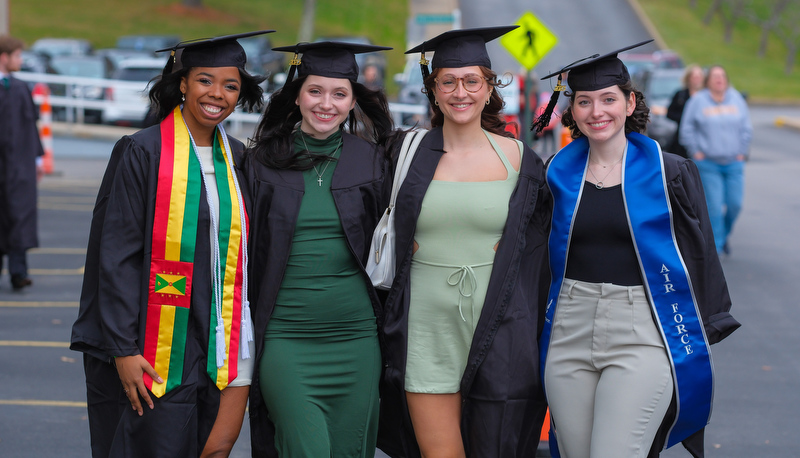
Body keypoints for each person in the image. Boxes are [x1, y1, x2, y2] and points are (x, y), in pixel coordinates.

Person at [534, 41, 741, 458]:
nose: (597, 112)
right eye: (585, 102)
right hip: (567, 331)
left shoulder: (671, 173)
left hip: (643, 331)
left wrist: (709, 320)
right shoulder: (554, 175)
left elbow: (699, 252)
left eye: (609, 99)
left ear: (630, 103)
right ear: (572, 111)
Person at [69, 30, 271, 457]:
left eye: (230, 85)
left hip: (213, 341)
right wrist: (122, 349)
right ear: (182, 82)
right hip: (152, 343)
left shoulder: (239, 160)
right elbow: (115, 255)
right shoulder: (141, 152)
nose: (217, 94)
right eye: (204, 80)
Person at [378, 26, 551, 458]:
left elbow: (539, 251)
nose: (461, 92)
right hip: (425, 330)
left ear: (489, 87)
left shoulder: (517, 160)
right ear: (433, 89)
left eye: (472, 81)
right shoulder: (405, 154)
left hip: (498, 330)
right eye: (448, 82)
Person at [244, 41, 399, 457]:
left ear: (352, 101)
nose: (325, 104)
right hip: (286, 337)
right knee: (303, 446)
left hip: (355, 338)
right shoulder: (261, 163)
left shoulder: (372, 162)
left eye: (338, 94)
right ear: (297, 95)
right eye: (315, 91)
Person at [679, 64, 752, 255]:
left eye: (722, 76)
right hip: (708, 164)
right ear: (707, 81)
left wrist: (741, 151)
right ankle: (716, 249)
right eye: (715, 76)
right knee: (715, 208)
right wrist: (696, 151)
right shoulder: (698, 101)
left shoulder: (736, 99)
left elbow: (746, 128)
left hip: (734, 163)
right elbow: (686, 129)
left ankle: (723, 235)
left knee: (735, 205)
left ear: (726, 80)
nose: (719, 79)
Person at [0, 35, 44, 291]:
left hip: (18, 164)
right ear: (4, 57)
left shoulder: (19, 88)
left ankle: (19, 273)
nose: (20, 60)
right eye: (17, 55)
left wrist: (37, 157)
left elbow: (31, 126)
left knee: (18, 214)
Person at [665, 64, 705, 158]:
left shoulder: (707, 97)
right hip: (681, 137)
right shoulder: (680, 95)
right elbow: (669, 113)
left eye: (699, 76)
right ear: (688, 78)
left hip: (702, 138)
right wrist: (684, 118)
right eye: (694, 76)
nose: (697, 79)